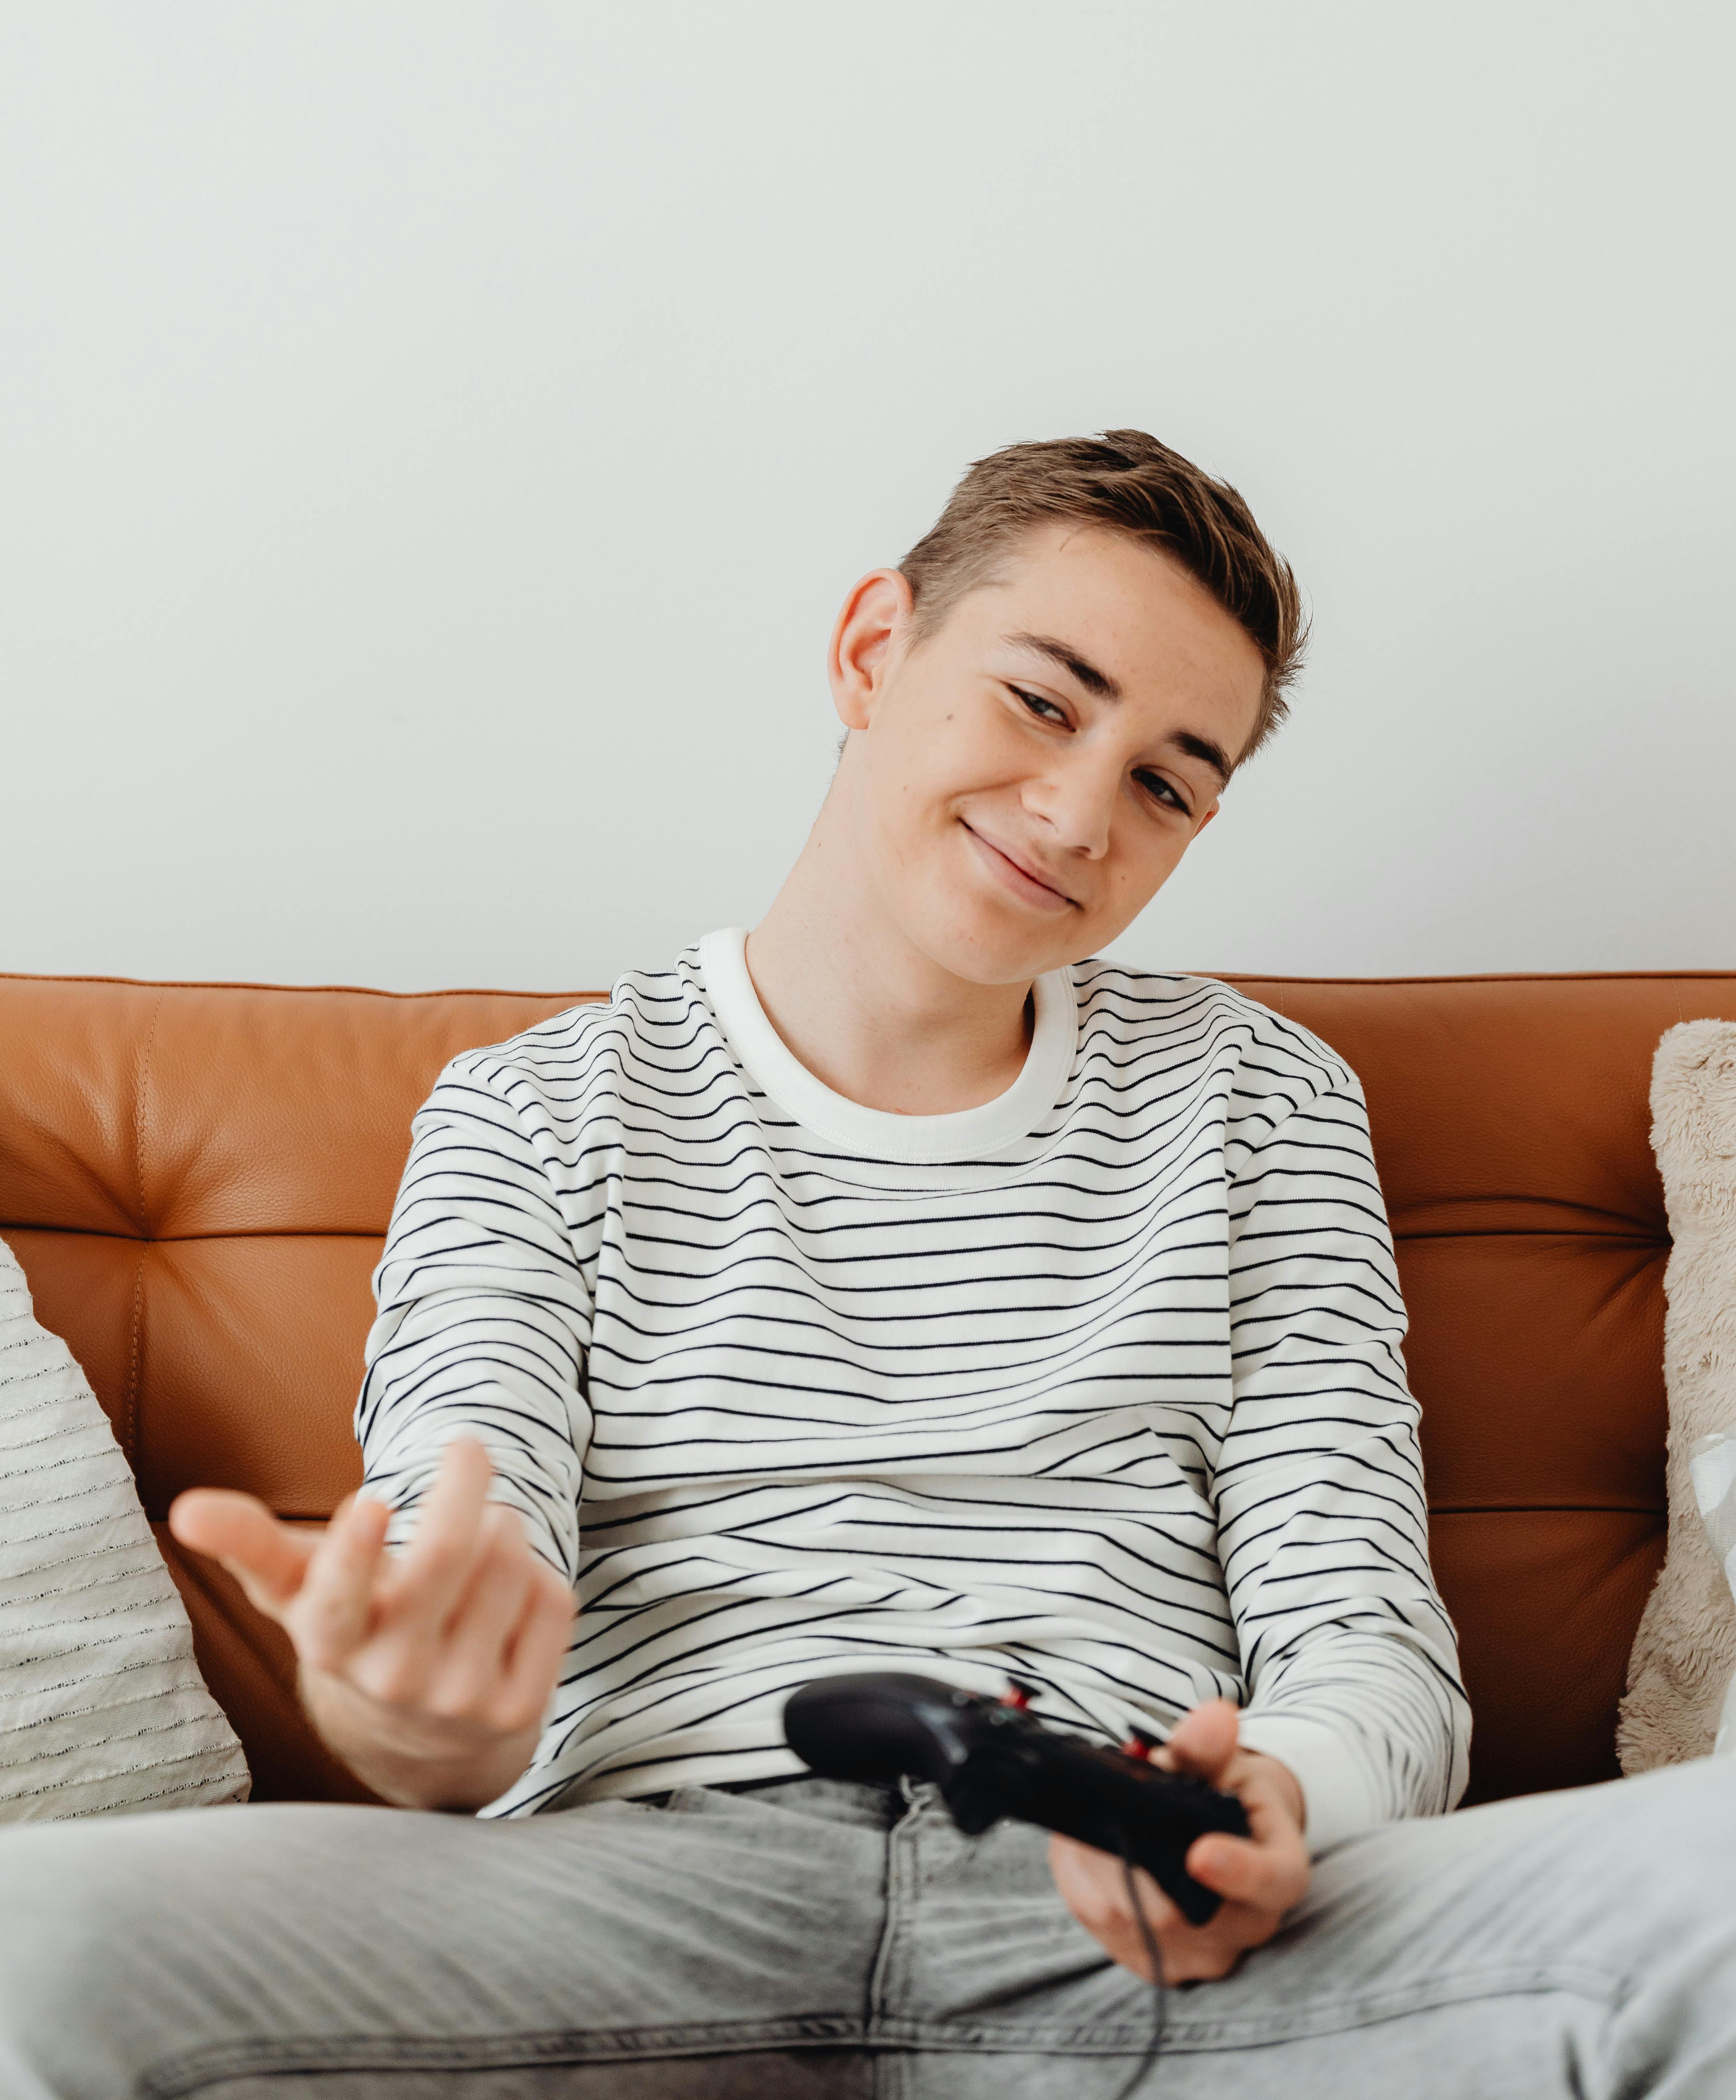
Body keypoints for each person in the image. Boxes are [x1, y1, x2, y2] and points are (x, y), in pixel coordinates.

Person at [0, 429, 1731, 2099]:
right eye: (1041, 701)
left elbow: (1360, 1636)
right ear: (872, 648)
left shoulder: (1256, 1098)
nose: (1072, 812)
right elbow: (469, 1622)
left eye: (1162, 783)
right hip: (638, 1910)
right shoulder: (530, 1111)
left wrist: (1271, 1795)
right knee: (33, 1946)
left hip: (1132, 1904)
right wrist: (412, 1715)